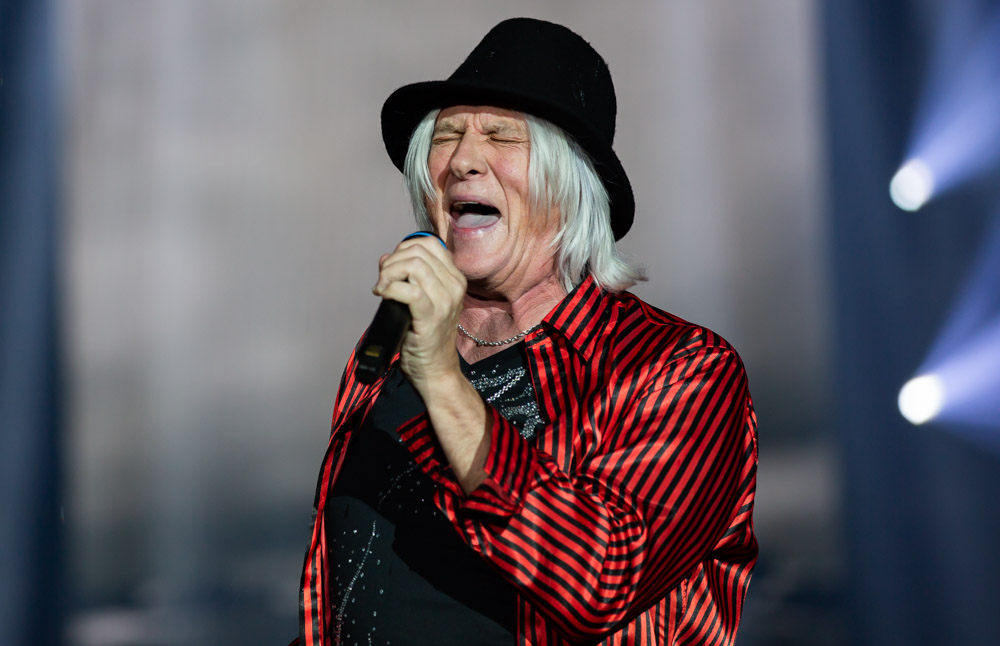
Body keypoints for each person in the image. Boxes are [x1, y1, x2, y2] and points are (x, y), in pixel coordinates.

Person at [295, 17, 757, 646]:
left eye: (501, 136)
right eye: (447, 136)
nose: (462, 160)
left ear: (571, 183)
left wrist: (441, 381)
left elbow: (602, 577)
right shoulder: (384, 359)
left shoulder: (678, 369)